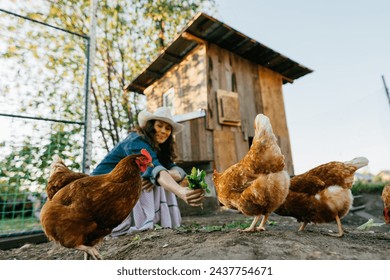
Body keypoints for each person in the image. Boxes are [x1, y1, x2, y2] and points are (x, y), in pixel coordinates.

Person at [91, 106, 205, 236]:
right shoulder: (136, 141)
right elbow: (155, 169)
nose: (163, 131)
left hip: (118, 188)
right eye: (159, 126)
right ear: (151, 126)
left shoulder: (159, 148)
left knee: (159, 178)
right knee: (157, 179)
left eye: (168, 128)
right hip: (98, 191)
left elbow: (175, 170)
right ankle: (141, 224)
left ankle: (159, 222)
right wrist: (180, 191)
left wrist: (160, 176)